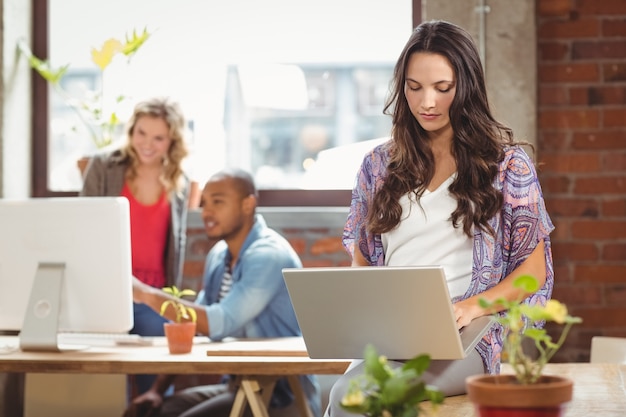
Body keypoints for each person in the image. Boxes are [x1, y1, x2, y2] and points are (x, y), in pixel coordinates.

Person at [324, 20, 554, 416]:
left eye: (442, 88)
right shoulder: (378, 166)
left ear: (465, 87)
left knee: (359, 399)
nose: (426, 102)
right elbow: (362, 259)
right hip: (390, 336)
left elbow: (533, 270)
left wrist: (471, 307)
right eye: (414, 88)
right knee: (339, 392)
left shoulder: (507, 166)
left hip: (465, 338)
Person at [124, 168, 321, 417]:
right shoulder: (219, 256)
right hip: (238, 387)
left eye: (218, 202)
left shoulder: (269, 255)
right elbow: (193, 329)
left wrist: (145, 294)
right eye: (204, 203)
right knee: (145, 413)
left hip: (280, 396)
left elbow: (219, 322)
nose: (207, 212)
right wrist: (156, 390)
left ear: (248, 204)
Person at [80, 96, 192, 396]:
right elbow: (83, 227)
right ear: (131, 131)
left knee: (153, 391)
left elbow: (176, 245)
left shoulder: (179, 181)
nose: (147, 143)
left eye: (159, 137)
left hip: (153, 298)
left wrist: (169, 300)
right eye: (141, 132)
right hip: (106, 292)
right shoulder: (105, 166)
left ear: (172, 141)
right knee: (103, 388)